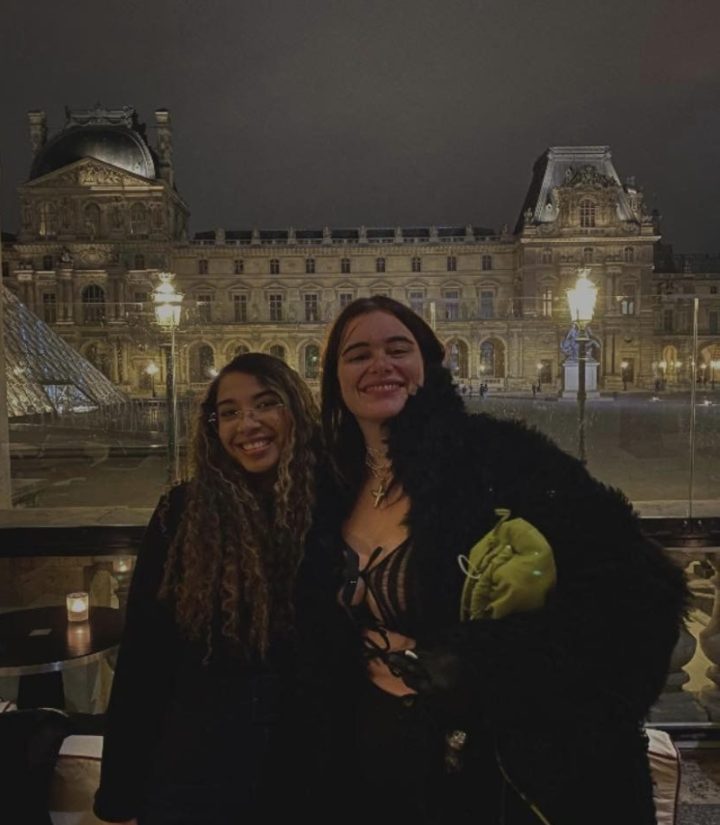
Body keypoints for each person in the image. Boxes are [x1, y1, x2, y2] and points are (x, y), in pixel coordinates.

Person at [318, 296, 686, 825]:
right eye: (358, 354)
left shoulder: (502, 459)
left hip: (502, 775)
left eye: (398, 349)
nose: (380, 364)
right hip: (372, 769)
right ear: (335, 378)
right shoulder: (326, 483)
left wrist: (479, 663)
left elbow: (639, 593)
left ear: (429, 362)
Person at [95, 352, 332, 825]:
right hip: (196, 770)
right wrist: (120, 794)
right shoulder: (181, 513)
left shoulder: (335, 508)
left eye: (266, 404)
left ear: (296, 410)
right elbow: (145, 658)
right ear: (213, 427)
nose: (247, 423)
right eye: (229, 412)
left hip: (305, 768)